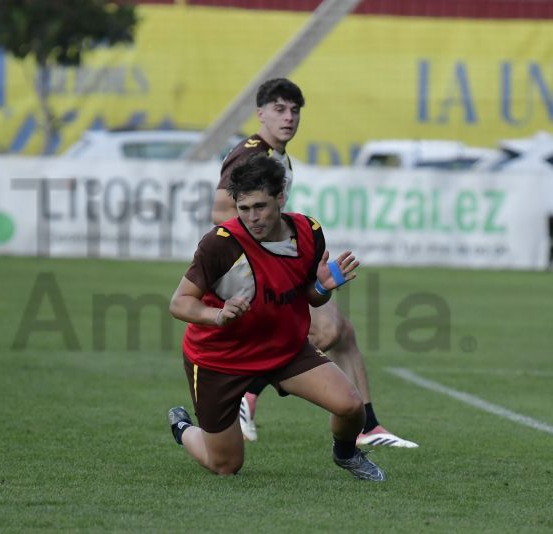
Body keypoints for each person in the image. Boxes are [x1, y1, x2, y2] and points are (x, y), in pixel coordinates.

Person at [211, 78, 416, 448]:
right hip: (251, 271)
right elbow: (221, 211)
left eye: (294, 110)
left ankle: (368, 426)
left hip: (275, 264)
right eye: (279, 109)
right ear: (260, 114)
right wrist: (266, 261)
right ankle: (247, 391)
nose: (288, 117)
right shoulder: (252, 153)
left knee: (343, 332)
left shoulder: (277, 155)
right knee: (324, 331)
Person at [167, 153, 384, 481]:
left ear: (280, 197)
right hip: (220, 358)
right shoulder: (220, 245)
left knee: (351, 406)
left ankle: (346, 454)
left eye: (260, 207)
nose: (252, 218)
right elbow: (180, 303)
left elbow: (309, 294)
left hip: (285, 349)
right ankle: (183, 428)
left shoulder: (308, 232)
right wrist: (218, 316)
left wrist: (323, 288)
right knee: (226, 465)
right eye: (244, 209)